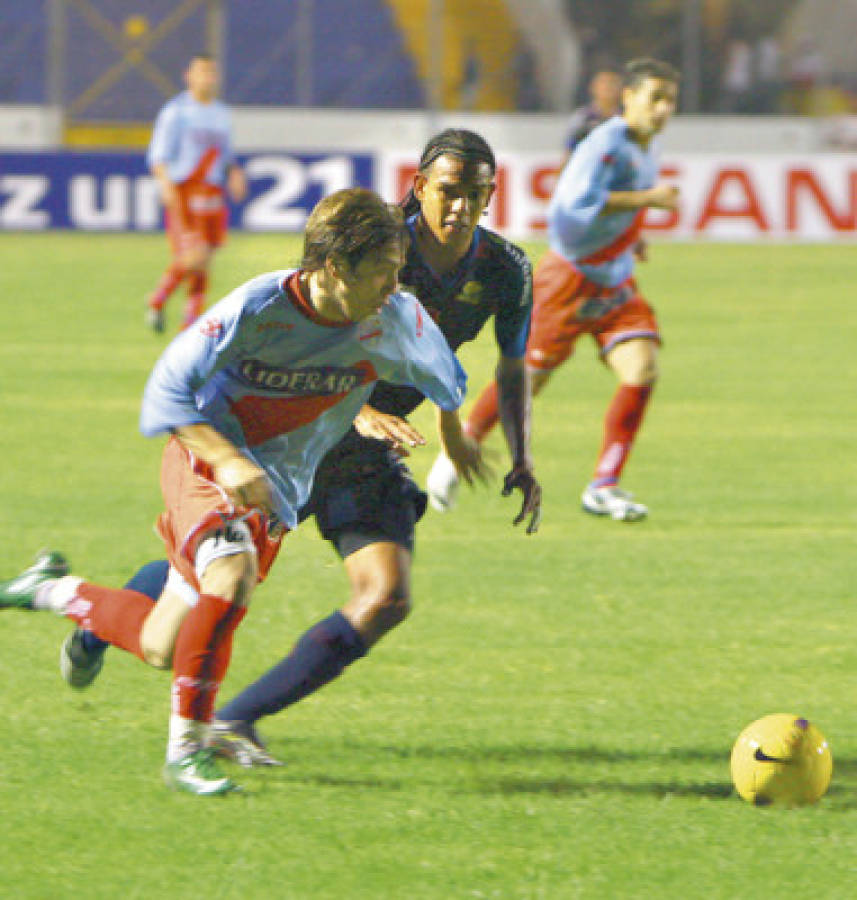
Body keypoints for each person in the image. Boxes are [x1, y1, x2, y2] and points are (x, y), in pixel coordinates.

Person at [51, 129, 542, 769]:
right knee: (205, 578)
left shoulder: (505, 269)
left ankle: (236, 717)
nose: (461, 208)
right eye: (449, 191)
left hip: (369, 452)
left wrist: (518, 455)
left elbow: (507, 367)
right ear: (420, 187)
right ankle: (101, 618)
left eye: (477, 195)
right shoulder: (371, 238)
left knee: (387, 595)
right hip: (295, 430)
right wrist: (359, 407)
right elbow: (307, 327)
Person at [0, 188, 466, 795]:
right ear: (334, 268)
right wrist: (224, 459)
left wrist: (447, 441)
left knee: (162, 643)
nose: (394, 285)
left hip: (278, 492)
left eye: (398, 271)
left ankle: (55, 590)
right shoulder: (256, 309)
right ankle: (187, 753)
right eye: (382, 271)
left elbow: (450, 384)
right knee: (230, 571)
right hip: (205, 460)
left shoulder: (396, 319)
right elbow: (165, 392)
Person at [428, 58, 679, 522]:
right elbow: (569, 212)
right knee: (527, 382)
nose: (663, 109)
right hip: (569, 281)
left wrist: (631, 235)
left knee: (642, 368)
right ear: (629, 98)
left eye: (670, 100)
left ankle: (604, 485)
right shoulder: (605, 146)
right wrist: (646, 200)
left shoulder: (647, 147)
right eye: (654, 98)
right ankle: (457, 448)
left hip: (614, 277)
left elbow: (609, 213)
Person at [145, 53, 247, 333]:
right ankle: (158, 300)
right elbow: (158, 155)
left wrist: (234, 174)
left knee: (206, 259)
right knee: (194, 255)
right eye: (202, 72)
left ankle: (189, 322)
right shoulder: (176, 111)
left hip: (213, 191)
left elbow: (226, 157)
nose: (208, 78)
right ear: (188, 76)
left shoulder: (221, 113)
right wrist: (165, 184)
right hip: (185, 191)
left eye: (212, 73)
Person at [562, 69, 622, 164]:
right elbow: (569, 150)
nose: (608, 87)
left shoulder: (627, 119)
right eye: (604, 83)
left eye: (613, 83)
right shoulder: (583, 118)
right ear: (593, 88)